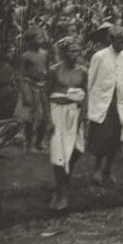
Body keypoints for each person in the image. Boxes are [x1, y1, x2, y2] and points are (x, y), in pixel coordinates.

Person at [85, 25, 123, 186]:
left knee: (115, 139)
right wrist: (89, 105)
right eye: (118, 41)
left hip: (119, 103)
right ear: (111, 40)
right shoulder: (99, 56)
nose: (121, 45)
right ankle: (97, 170)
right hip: (102, 103)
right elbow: (90, 81)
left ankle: (108, 169)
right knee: (101, 138)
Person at [45, 37, 87, 211]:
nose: (75, 54)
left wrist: (82, 118)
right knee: (58, 152)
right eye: (71, 51)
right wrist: (48, 120)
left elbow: (86, 95)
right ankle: (62, 192)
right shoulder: (54, 71)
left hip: (74, 112)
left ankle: (63, 183)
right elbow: (45, 95)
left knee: (77, 149)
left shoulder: (83, 71)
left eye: (77, 51)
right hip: (57, 112)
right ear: (63, 53)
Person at [15, 26, 49, 152]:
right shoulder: (25, 56)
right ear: (30, 41)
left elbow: (47, 69)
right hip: (30, 87)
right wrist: (25, 93)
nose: (41, 39)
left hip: (42, 87)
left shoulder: (45, 53)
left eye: (41, 36)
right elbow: (21, 75)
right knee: (29, 119)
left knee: (44, 118)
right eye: (38, 37)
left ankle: (39, 142)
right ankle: (29, 144)